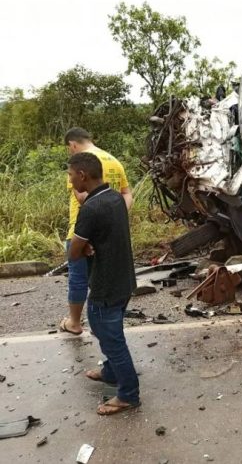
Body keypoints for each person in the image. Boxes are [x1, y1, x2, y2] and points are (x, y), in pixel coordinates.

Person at [68, 152, 140, 415]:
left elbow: (73, 252)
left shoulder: (91, 208)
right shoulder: (115, 199)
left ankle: (128, 395)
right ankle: (110, 372)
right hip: (123, 281)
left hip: (105, 285)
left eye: (71, 174)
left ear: (83, 175)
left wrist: (84, 246)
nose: (70, 179)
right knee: (108, 334)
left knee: (111, 340)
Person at [60, 127, 133, 335]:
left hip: (82, 229)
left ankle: (74, 322)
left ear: (73, 145)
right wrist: (116, 215)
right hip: (110, 233)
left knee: (78, 277)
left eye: (69, 150)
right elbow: (127, 194)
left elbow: (82, 198)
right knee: (103, 277)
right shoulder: (113, 161)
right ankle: (104, 322)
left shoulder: (80, 165)